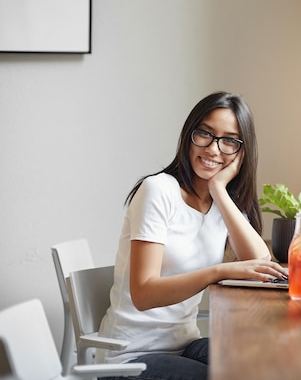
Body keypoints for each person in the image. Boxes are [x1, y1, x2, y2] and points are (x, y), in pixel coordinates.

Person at [96, 91, 288, 380]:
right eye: (206, 134)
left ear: (241, 152)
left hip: (183, 345)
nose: (213, 149)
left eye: (229, 141)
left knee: (262, 364)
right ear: (189, 135)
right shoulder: (158, 190)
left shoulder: (221, 202)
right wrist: (218, 271)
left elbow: (259, 261)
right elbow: (143, 293)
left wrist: (220, 191)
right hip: (130, 357)